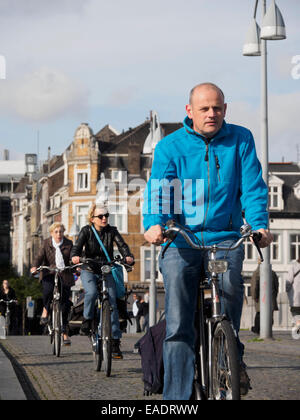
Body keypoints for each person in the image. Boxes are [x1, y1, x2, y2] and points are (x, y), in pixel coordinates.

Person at [143, 83, 273, 400]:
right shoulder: (170, 147)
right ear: (190, 111)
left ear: (225, 109)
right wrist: (154, 224)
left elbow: (253, 187)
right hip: (181, 239)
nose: (211, 113)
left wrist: (258, 225)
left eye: (217, 107)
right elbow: (159, 192)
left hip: (224, 236)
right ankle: (176, 398)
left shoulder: (240, 139)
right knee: (178, 322)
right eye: (204, 108)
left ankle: (231, 352)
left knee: (230, 292)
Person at [71, 203, 134, 359]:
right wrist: (75, 257)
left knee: (112, 301)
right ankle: (87, 320)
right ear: (93, 219)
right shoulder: (86, 231)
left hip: (107, 268)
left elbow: (122, 245)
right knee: (91, 293)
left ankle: (114, 342)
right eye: (101, 216)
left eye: (106, 215)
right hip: (89, 269)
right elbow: (76, 248)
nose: (104, 218)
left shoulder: (112, 231)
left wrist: (128, 256)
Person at [31, 222, 74, 345]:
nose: (59, 234)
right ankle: (46, 309)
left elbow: (73, 258)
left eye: (61, 231)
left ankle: (65, 333)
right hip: (49, 272)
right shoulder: (46, 243)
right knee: (48, 291)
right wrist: (34, 266)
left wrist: (76, 267)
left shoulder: (69, 244)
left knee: (65, 304)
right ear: (51, 233)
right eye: (56, 232)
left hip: (64, 274)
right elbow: (39, 257)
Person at [250, 259, 279, 334]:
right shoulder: (272, 273)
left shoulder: (256, 273)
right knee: (269, 315)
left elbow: (254, 287)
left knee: (259, 314)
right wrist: (274, 297)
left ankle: (258, 330)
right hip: (270, 299)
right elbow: (276, 286)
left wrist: (255, 297)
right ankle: (268, 330)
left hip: (260, 299)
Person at [286, 258, 300, 327]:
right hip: (296, 299)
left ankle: (298, 331)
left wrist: (287, 290)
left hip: (295, 299)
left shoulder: (293, 267)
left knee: (296, 315)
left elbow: (288, 282)